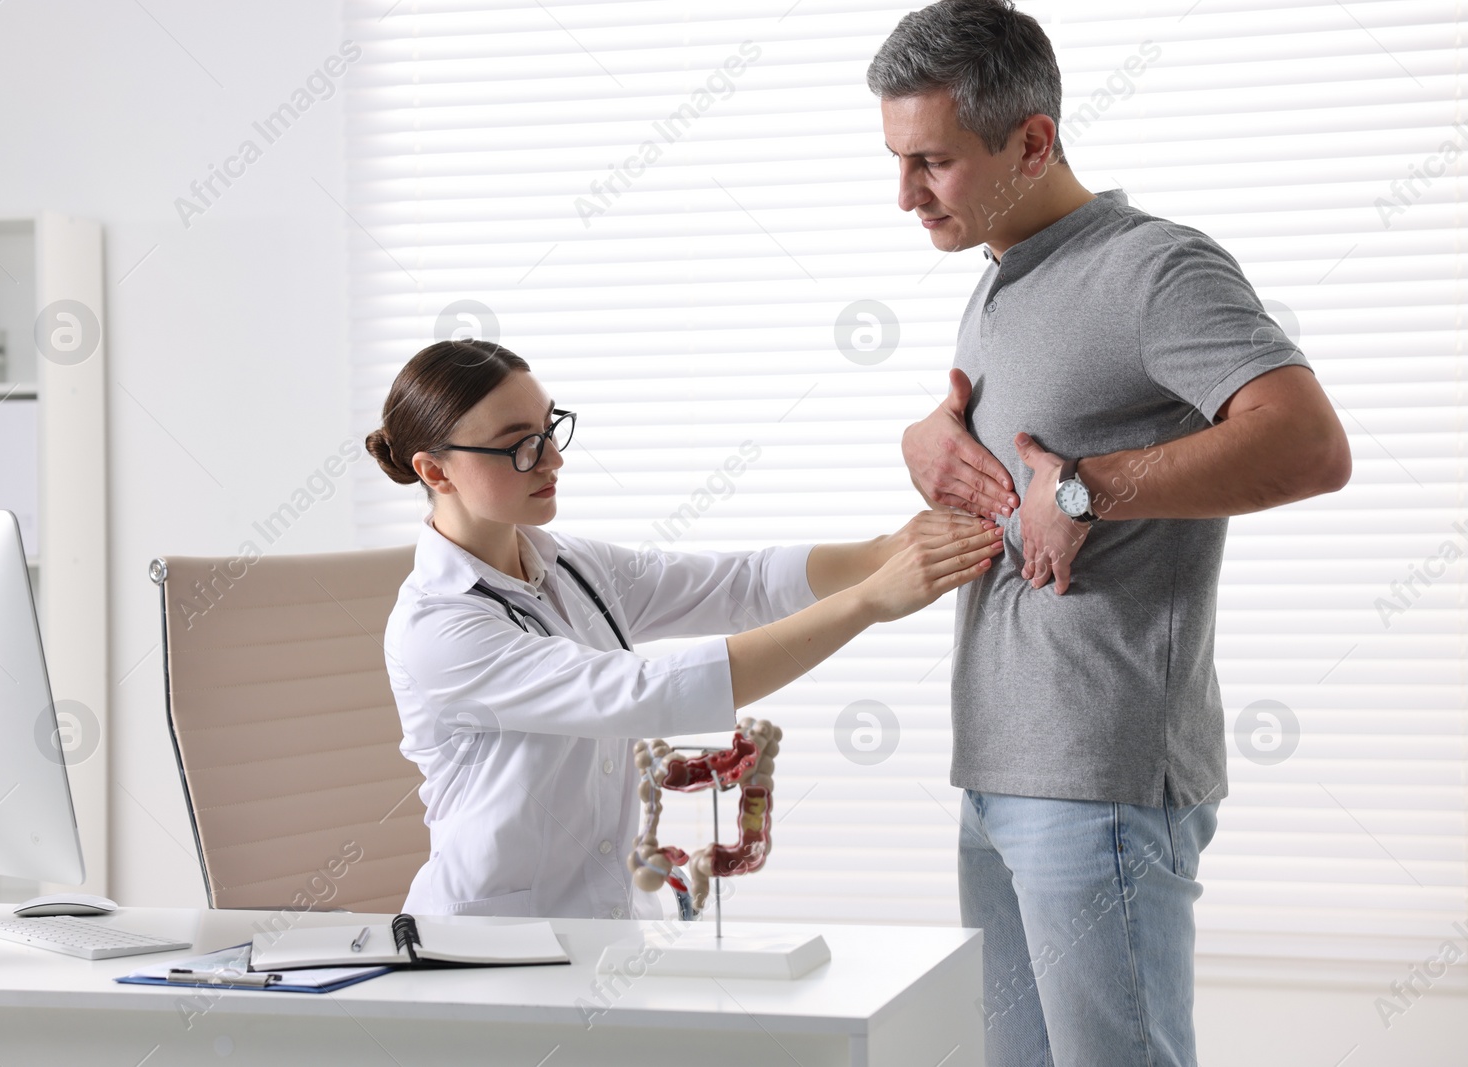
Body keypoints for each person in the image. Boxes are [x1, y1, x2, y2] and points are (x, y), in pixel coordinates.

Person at [868, 3, 1351, 1065]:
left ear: (1031, 141)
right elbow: (1015, 469)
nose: (903, 194)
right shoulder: (997, 280)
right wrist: (926, 441)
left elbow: (1309, 445)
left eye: (932, 163)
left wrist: (1089, 488)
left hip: (1100, 777)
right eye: (898, 160)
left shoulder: (1155, 268)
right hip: (996, 766)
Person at [368, 338, 1004, 920]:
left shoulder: (567, 564)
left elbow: (736, 584)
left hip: (600, 928)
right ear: (435, 471)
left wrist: (881, 551)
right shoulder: (438, 629)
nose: (553, 458)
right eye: (519, 444)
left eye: (550, 428)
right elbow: (650, 691)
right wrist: (868, 601)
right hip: (486, 944)